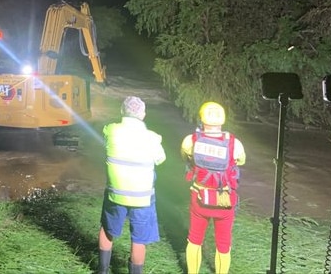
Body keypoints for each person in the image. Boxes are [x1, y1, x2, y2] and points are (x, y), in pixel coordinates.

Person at [98, 96, 166, 274]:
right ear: (143, 115)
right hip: (142, 197)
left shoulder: (110, 130)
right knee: (139, 238)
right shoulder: (152, 138)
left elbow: (105, 145)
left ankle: (102, 270)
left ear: (122, 111)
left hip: (115, 193)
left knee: (107, 228)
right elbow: (160, 159)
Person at [181, 101, 246, 274]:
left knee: (194, 240)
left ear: (202, 120)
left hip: (199, 197)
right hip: (224, 200)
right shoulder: (234, 143)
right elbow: (241, 161)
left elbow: (186, 157)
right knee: (223, 245)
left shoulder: (191, 140)